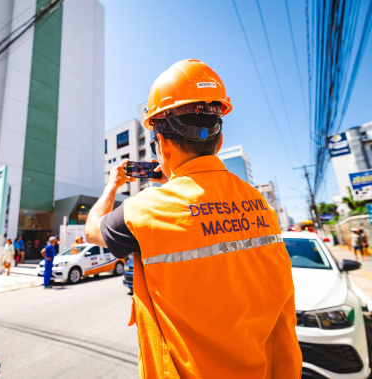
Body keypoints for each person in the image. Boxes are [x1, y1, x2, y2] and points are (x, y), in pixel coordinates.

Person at [85, 59, 302, 378]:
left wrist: (113, 184)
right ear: (219, 141)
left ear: (161, 143)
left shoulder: (147, 209)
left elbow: (92, 231)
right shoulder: (259, 203)